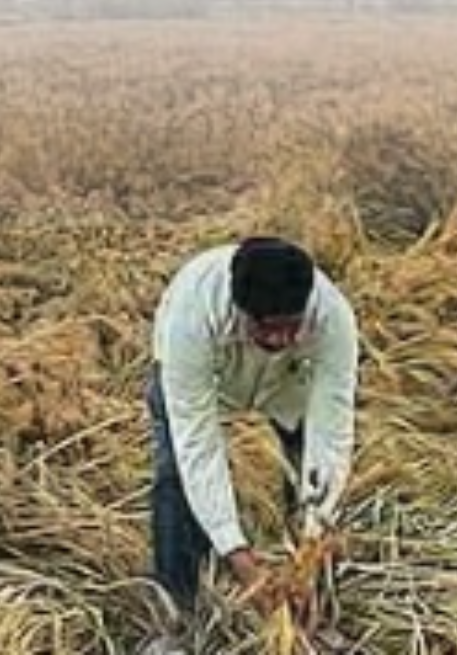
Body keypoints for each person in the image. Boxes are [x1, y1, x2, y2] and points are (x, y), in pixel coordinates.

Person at [146, 236, 359, 621]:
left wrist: (314, 540)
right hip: (205, 378)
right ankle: (177, 613)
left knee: (309, 472)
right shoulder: (191, 316)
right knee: (174, 473)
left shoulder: (333, 319)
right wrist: (239, 556)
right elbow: (198, 446)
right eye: (269, 328)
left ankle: (313, 600)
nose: (281, 339)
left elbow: (331, 432)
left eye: (292, 327)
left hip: (286, 383)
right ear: (241, 310)